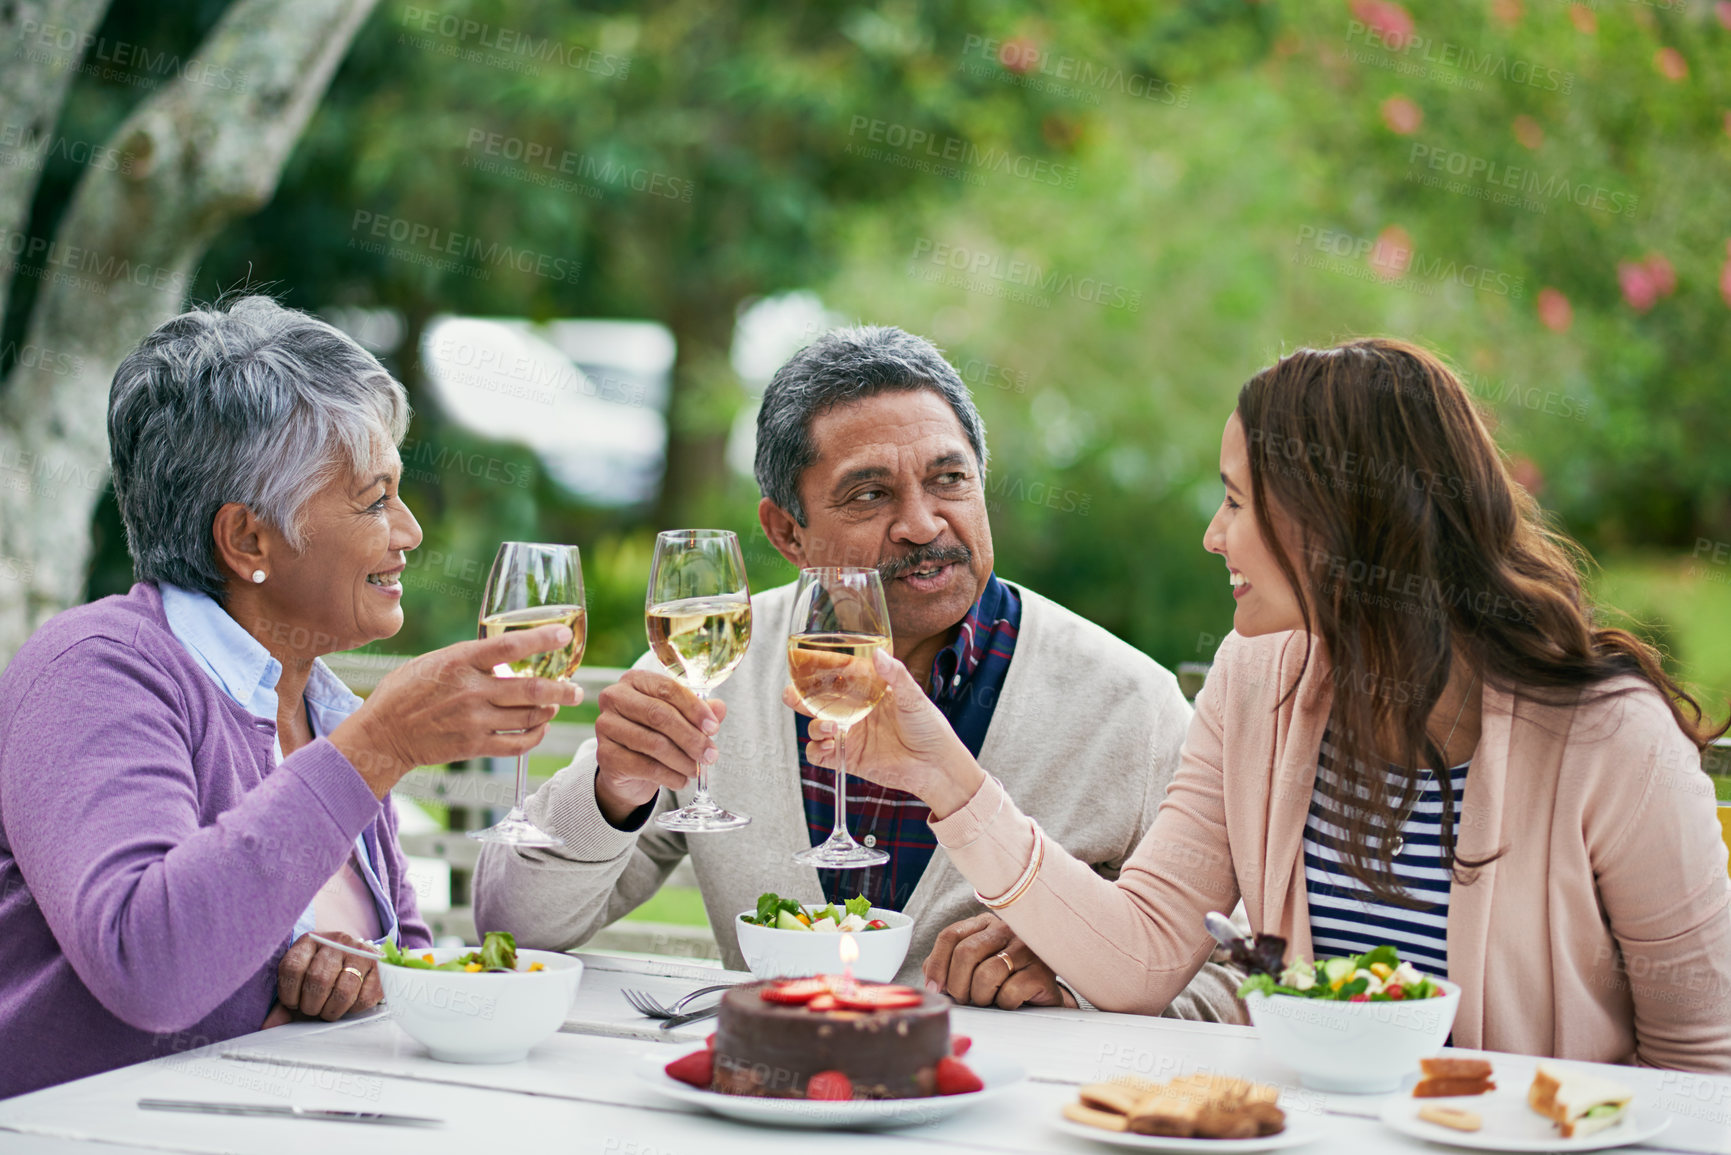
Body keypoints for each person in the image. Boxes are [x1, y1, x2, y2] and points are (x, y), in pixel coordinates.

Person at [790, 338, 1731, 1071]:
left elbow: (1705, 1063)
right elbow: (1141, 954)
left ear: (1336, 522)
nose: (1212, 535)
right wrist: (940, 774)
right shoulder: (1259, 683)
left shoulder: (1611, 739)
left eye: (1236, 502)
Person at [475, 325, 1241, 1020]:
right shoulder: (713, 659)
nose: (921, 523)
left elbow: (1236, 978)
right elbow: (513, 926)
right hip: (764, 1106)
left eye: (950, 480)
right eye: (870, 493)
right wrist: (610, 791)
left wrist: (1078, 975)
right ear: (786, 530)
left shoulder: (1127, 703)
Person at [0, 297, 580, 1098]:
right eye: (374, 499)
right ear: (247, 540)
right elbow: (148, 963)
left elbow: (398, 954)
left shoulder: (318, 703)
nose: (408, 530)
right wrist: (378, 749)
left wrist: (364, 977)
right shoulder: (95, 670)